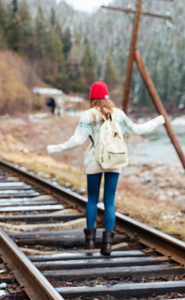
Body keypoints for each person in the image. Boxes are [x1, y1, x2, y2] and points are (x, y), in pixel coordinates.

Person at [47, 81, 165, 255]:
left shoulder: (89, 115)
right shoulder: (118, 114)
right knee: (109, 201)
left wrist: (55, 148)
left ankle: (89, 243)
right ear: (107, 96)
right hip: (115, 161)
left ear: (92, 98)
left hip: (94, 161)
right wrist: (159, 119)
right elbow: (138, 129)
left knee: (93, 200)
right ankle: (108, 245)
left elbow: (77, 140)